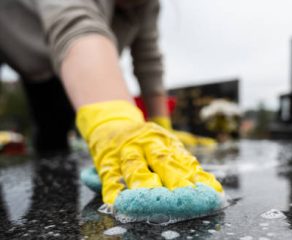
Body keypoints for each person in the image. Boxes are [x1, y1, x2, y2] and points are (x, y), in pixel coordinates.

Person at [0, 0, 223, 206]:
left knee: (55, 139)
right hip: (18, 43)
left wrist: (161, 127)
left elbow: (149, 60)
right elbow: (74, 23)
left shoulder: (147, 5)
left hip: (76, 68)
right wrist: (114, 120)